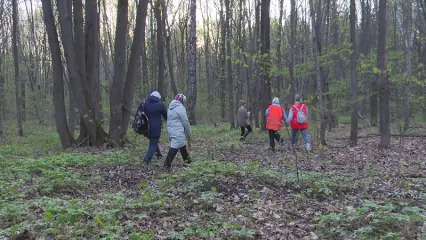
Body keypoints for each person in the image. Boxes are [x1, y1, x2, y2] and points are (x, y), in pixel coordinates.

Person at [164, 94, 192, 169]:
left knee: (182, 145)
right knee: (175, 146)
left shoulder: (170, 107)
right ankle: (166, 164)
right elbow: (185, 122)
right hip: (178, 130)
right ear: (182, 100)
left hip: (172, 130)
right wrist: (189, 133)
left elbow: (169, 121)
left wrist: (169, 133)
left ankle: (188, 161)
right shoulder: (180, 108)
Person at [142, 91, 167, 163]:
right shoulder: (160, 105)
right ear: (158, 97)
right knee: (153, 144)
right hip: (155, 128)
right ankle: (146, 160)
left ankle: (159, 155)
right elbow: (166, 116)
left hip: (145, 127)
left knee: (153, 141)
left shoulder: (145, 103)